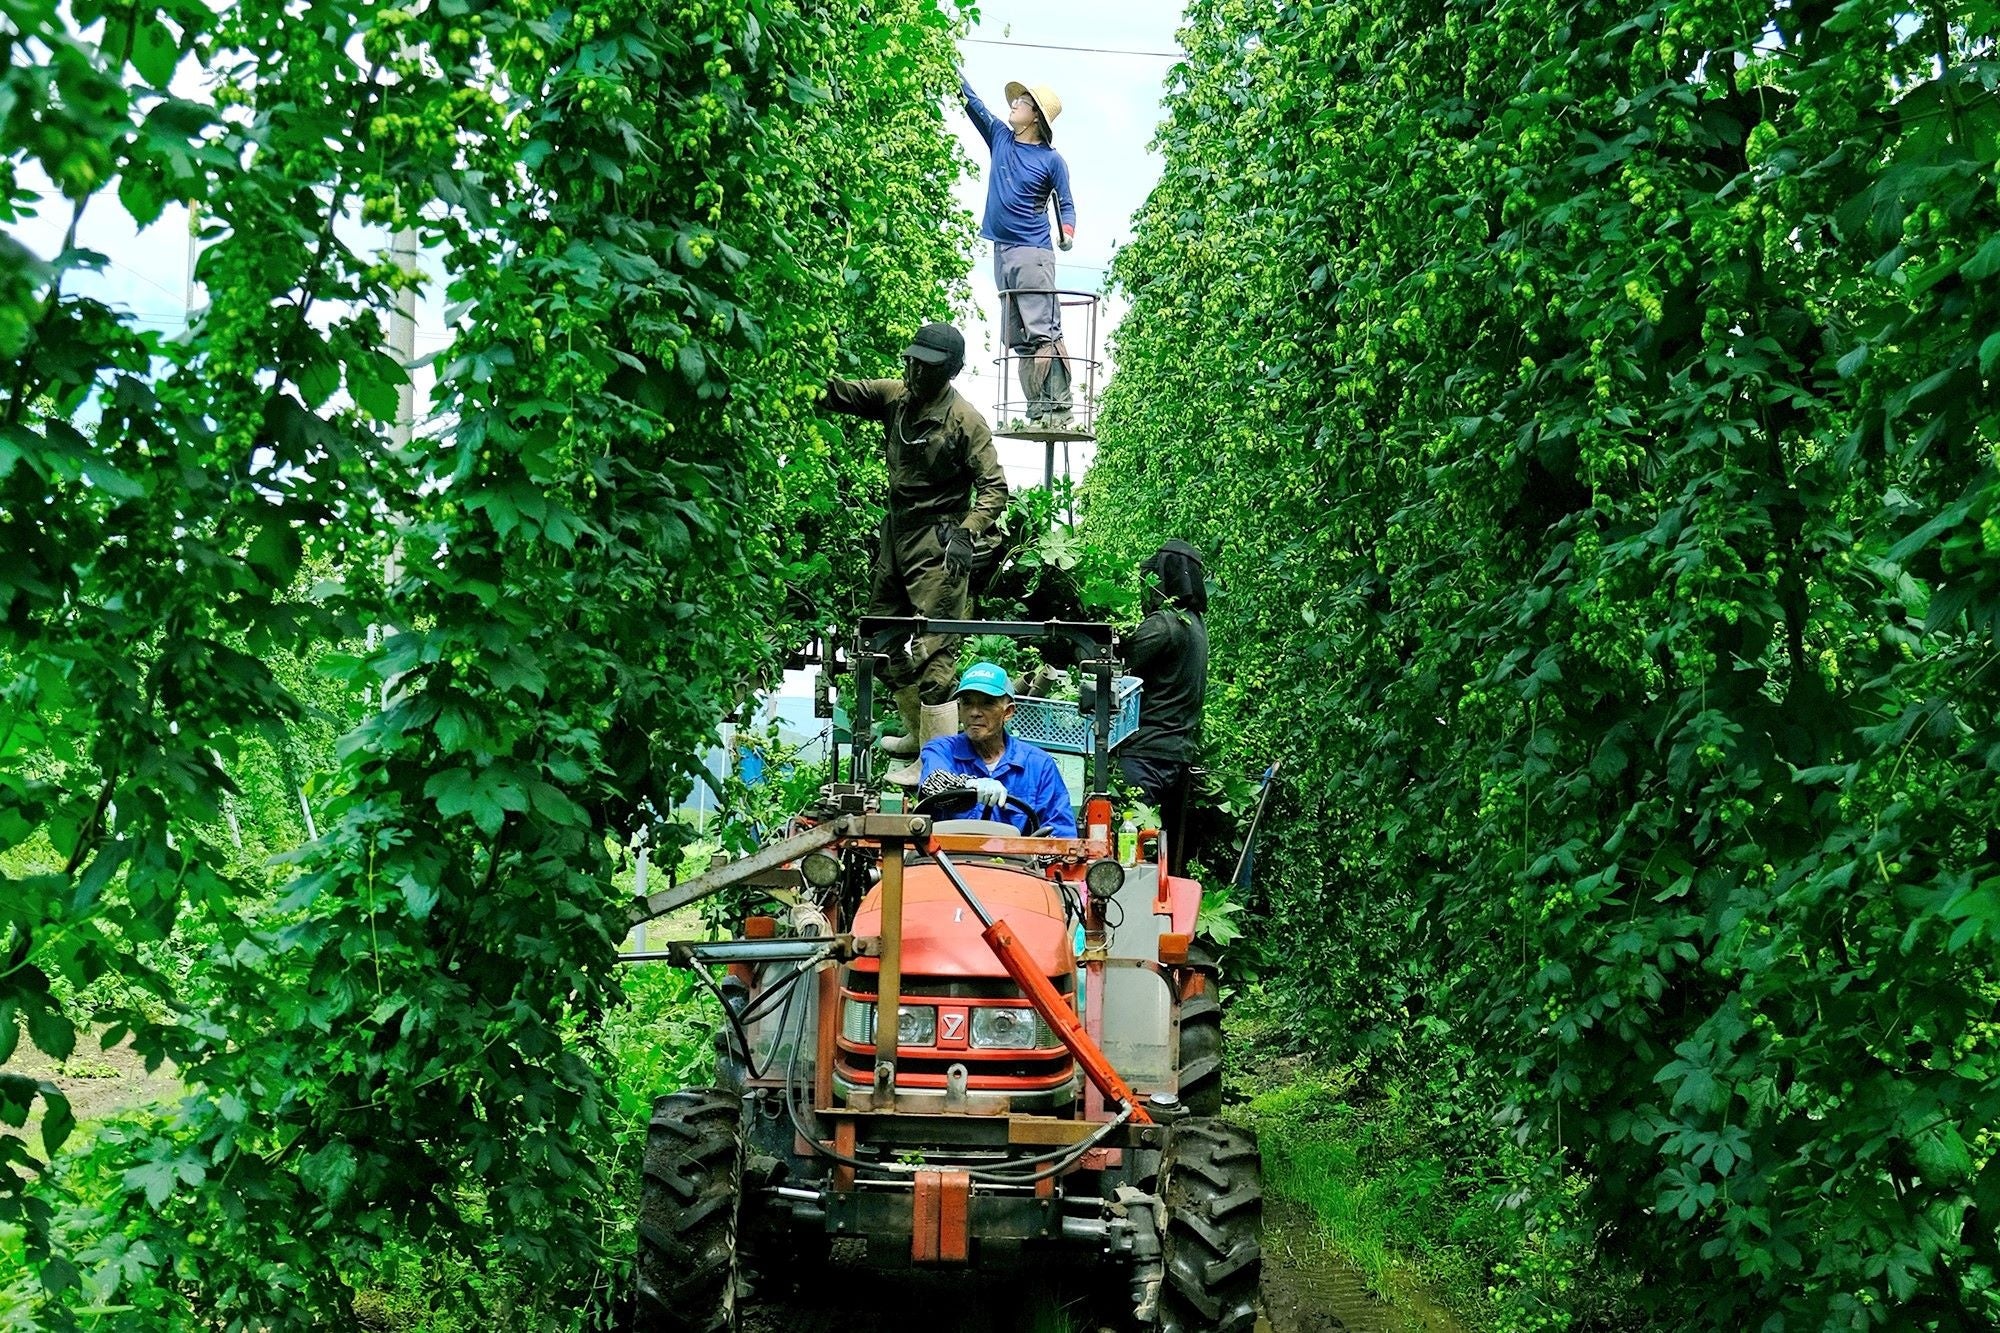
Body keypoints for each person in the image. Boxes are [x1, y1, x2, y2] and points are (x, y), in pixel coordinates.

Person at [821, 323, 1009, 784]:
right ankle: (916, 731)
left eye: (927, 365)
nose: (914, 370)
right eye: (912, 361)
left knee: (935, 657)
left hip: (938, 545)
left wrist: (968, 532)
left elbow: (994, 487)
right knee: (879, 642)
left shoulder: (965, 421)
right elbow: (838, 393)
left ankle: (937, 764)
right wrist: (793, 372)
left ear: (950, 371)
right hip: (897, 536)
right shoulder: (895, 397)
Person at [961, 74, 1076, 427]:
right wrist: (953, 72)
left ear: (1036, 116)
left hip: (1032, 251)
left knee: (1043, 331)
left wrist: (1067, 233)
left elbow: (1066, 205)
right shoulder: (1000, 138)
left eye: (1022, 102)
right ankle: (1037, 408)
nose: (1014, 105)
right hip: (1003, 250)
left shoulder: (1051, 160)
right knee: (1021, 337)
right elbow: (976, 107)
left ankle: (1059, 406)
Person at [1119, 541, 1208, 876]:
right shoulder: (1195, 625)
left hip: (1146, 755)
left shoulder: (1164, 624)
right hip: (1178, 756)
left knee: (1126, 850)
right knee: (1165, 862)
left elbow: (1117, 667)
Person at [919, 662, 1077, 836]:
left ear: (1007, 712)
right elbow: (933, 784)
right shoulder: (941, 750)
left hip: (1014, 862)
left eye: (987, 704)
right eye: (967, 703)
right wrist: (969, 785)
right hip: (943, 858)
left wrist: (1034, 858)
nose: (974, 712)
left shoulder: (1038, 765)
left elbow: (1060, 833)